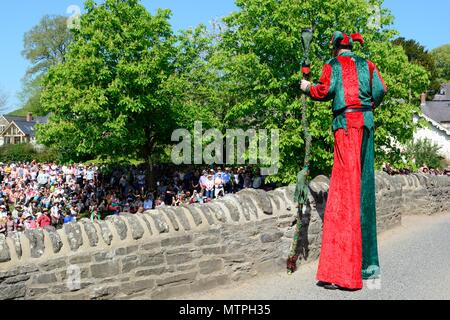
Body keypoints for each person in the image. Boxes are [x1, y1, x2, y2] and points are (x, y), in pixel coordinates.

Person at [300, 31, 387, 290]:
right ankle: (366, 268)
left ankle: (344, 274)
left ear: (336, 48)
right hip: (367, 126)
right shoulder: (368, 64)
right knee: (363, 190)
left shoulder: (333, 65)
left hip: (346, 127)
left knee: (344, 193)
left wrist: (307, 87)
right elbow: (381, 89)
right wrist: (367, 106)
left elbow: (325, 90)